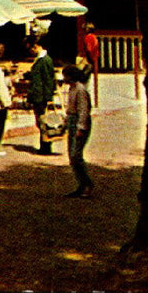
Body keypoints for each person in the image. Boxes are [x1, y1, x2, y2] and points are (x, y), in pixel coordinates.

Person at [62, 65, 94, 197]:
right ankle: (81, 184)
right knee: (72, 155)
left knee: (76, 155)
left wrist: (81, 127)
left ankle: (87, 184)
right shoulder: (71, 89)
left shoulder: (80, 90)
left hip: (79, 122)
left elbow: (83, 110)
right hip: (71, 121)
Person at [25, 36, 57, 155]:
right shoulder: (39, 59)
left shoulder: (45, 60)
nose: (31, 51)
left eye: (31, 48)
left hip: (41, 97)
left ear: (36, 46)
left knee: (43, 122)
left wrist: (48, 99)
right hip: (37, 96)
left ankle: (46, 146)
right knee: (40, 122)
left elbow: (48, 80)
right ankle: (44, 145)